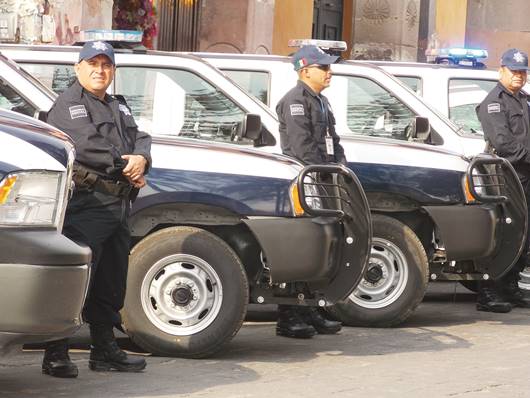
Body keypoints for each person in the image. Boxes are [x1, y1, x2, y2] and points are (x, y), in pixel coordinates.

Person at [42, 41, 151, 377]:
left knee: (110, 280)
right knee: (77, 281)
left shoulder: (118, 106)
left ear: (113, 71)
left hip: (118, 203)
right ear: (78, 68)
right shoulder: (69, 104)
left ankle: (103, 350)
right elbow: (86, 144)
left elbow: (141, 136)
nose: (99, 70)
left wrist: (143, 158)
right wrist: (127, 165)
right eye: (92, 63)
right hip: (87, 204)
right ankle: (56, 353)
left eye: (106, 65)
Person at [274, 45, 346, 338]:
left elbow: (334, 141)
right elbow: (303, 147)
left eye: (329, 67)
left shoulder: (321, 102)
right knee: (303, 248)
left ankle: (311, 308)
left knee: (321, 248)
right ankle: (290, 315)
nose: (330, 72)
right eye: (324, 68)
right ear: (305, 71)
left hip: (324, 180)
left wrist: (341, 167)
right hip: (307, 181)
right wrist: (325, 171)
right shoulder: (295, 101)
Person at [475, 48, 530, 313]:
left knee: (523, 235)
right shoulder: (494, 102)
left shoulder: (524, 100)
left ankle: (509, 286)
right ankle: (488, 292)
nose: (519, 76)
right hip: (507, 178)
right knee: (504, 235)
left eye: (522, 71)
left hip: (526, 178)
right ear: (501, 71)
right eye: (514, 71)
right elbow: (504, 144)